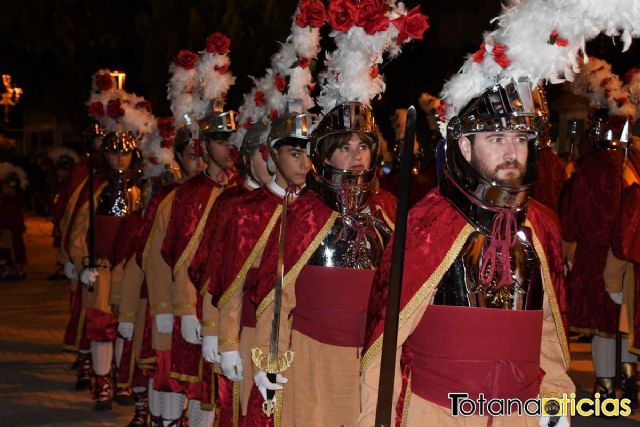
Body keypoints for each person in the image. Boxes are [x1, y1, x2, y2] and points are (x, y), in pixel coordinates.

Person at [360, 79, 574, 426]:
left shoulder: (542, 225)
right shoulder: (427, 224)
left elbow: (548, 331)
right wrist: (376, 417)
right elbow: (385, 344)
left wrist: (555, 400)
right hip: (437, 414)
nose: (511, 153)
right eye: (496, 139)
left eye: (521, 139)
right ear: (464, 146)